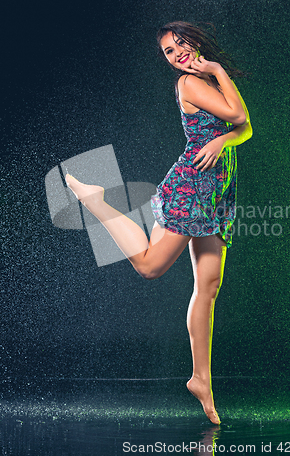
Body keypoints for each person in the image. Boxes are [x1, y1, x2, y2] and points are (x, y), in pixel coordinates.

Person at [65, 21, 252, 424]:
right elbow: (238, 114)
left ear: (194, 40)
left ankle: (201, 378)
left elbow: (245, 128)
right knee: (150, 266)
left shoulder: (207, 82)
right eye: (168, 51)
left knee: (210, 286)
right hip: (191, 188)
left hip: (216, 194)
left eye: (179, 44)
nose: (177, 54)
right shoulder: (192, 83)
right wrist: (217, 71)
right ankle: (97, 201)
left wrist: (223, 139)